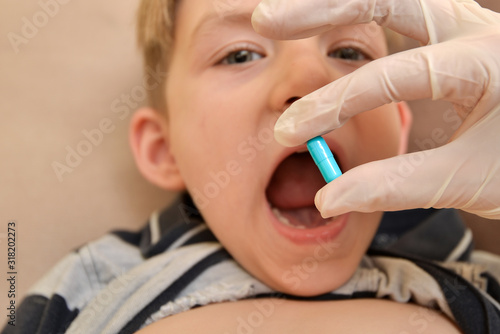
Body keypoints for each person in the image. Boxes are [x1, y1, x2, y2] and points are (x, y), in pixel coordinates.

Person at [4, 0, 500, 333]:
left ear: (399, 128)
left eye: (349, 51)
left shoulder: (471, 270)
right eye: (240, 54)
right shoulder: (91, 279)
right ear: (165, 149)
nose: (309, 81)